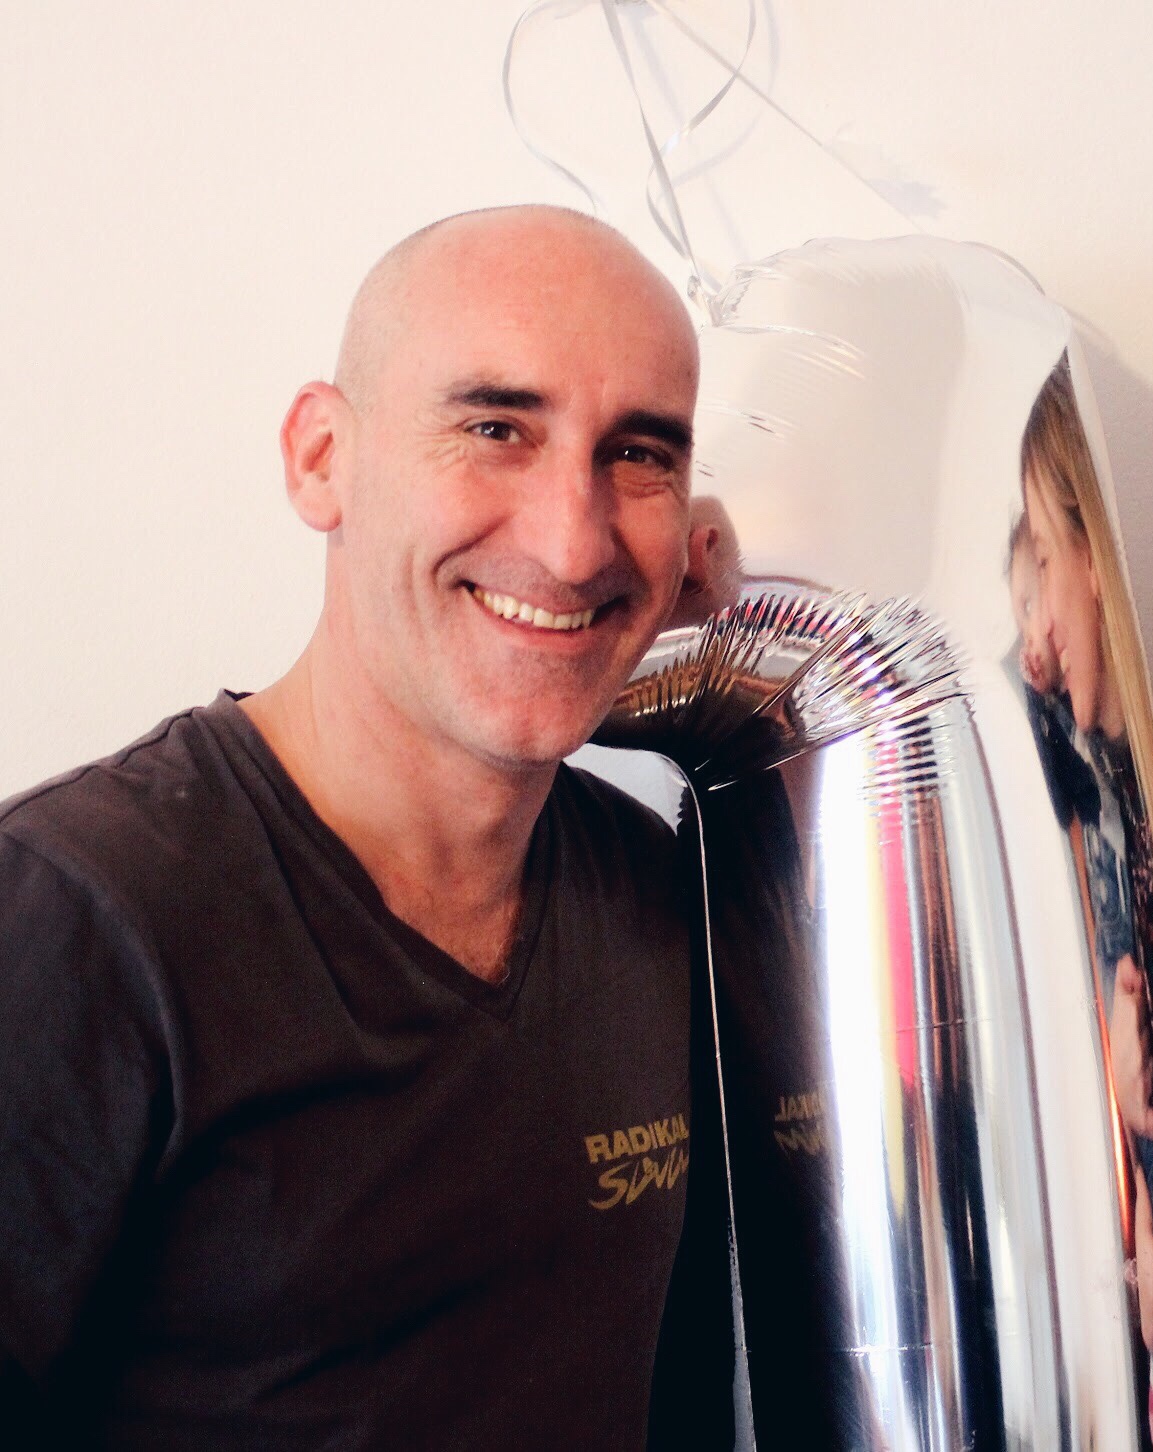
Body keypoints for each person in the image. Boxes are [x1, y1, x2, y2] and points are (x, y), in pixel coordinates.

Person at [0, 206, 705, 1449]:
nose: (572, 540)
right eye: (495, 429)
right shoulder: (78, 913)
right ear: (322, 458)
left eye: (637, 455)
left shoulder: (659, 889)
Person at [1013, 363, 1153, 1445]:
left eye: (1042, 570)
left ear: (1092, 560)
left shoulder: (1122, 796)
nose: (1033, 634)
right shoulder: (1067, 776)